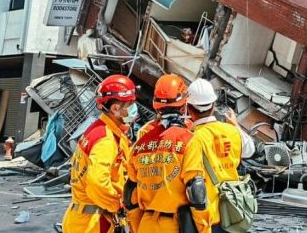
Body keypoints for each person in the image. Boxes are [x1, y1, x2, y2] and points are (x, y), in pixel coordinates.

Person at [62, 74, 138, 233]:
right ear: (115, 108)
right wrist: (117, 205)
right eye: (130, 104)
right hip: (94, 223)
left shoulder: (100, 130)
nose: (133, 108)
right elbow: (97, 183)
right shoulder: (105, 139)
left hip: (84, 218)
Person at [181, 79, 255, 233]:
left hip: (209, 217)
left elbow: (193, 184)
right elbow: (250, 150)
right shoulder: (232, 131)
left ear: (188, 109)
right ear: (213, 106)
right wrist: (236, 125)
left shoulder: (192, 139)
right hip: (234, 211)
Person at [125, 74, 193, 233]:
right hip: (176, 224)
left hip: (146, 223)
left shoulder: (141, 141)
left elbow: (130, 190)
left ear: (156, 106)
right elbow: (196, 189)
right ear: (184, 106)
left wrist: (135, 225)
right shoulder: (189, 138)